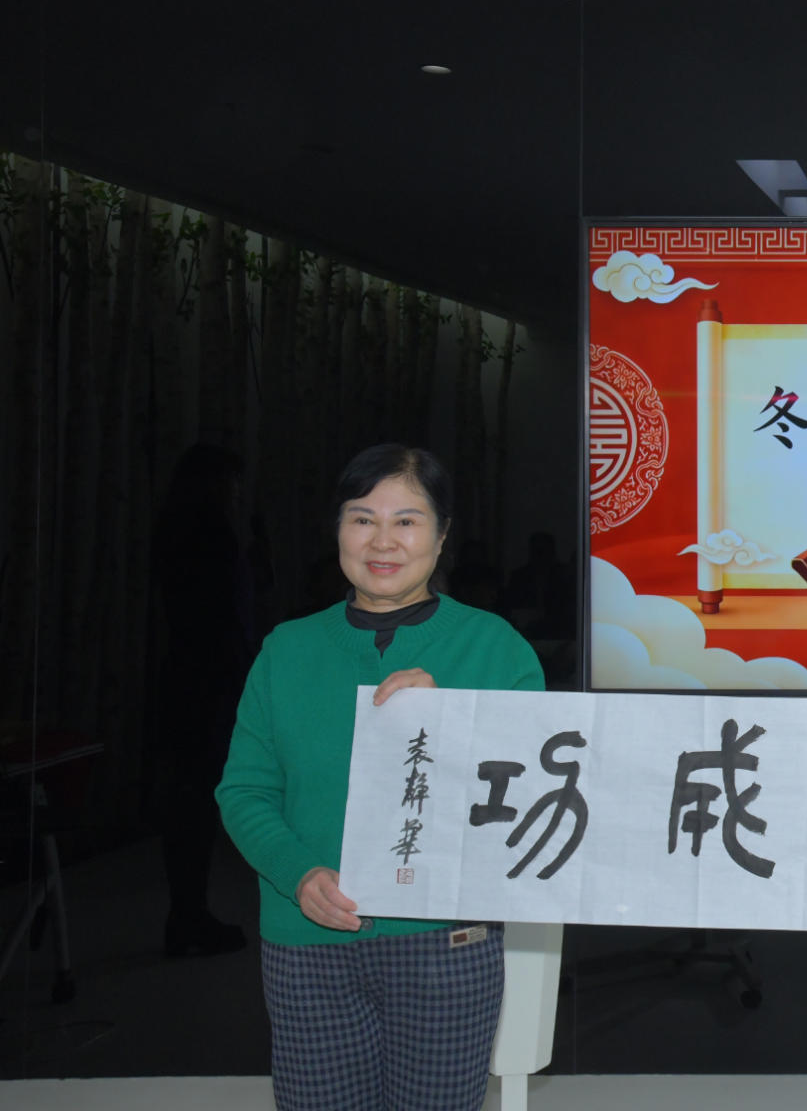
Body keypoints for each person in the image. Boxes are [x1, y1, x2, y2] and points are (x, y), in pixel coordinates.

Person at [216, 445, 544, 1111]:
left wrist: (453, 721)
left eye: (407, 521)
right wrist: (297, 874)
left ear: (442, 536)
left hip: (447, 944)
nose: (383, 541)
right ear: (338, 530)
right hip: (308, 941)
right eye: (362, 519)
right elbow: (244, 791)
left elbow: (534, 798)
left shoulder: (496, 649)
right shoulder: (286, 650)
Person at [152, 443, 256, 957]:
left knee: (191, 798)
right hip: (208, 683)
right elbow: (226, 618)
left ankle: (188, 911)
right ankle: (188, 914)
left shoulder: (177, 530)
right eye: (231, 482)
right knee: (196, 800)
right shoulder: (211, 536)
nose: (236, 492)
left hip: (190, 679)